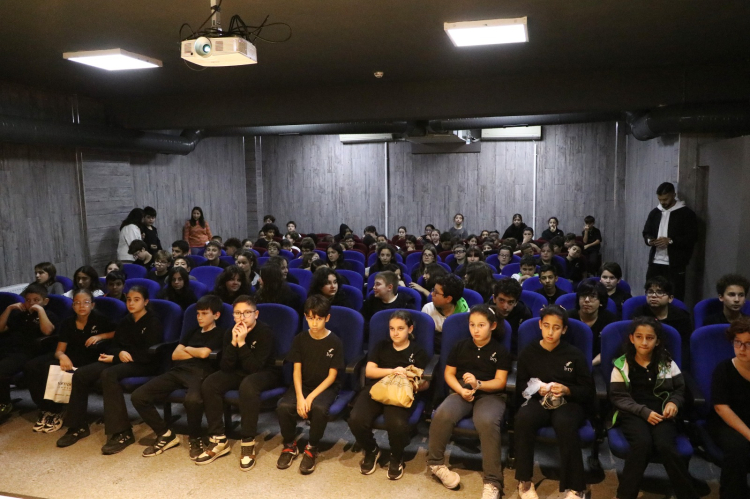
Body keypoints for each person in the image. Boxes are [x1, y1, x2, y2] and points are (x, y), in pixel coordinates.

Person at [57, 286, 162, 454]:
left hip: (144, 363)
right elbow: (114, 345)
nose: (131, 303)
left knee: (109, 374)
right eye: (129, 300)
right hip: (122, 360)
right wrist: (117, 354)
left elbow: (149, 352)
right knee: (81, 374)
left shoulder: (153, 321)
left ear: (145, 302)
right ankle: (78, 426)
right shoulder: (126, 320)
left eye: (136, 300)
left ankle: (122, 432)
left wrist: (116, 357)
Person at [609, 317, 698, 499]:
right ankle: (625, 495)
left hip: (662, 412)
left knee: (666, 446)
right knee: (642, 444)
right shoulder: (622, 364)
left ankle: (687, 495)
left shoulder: (667, 363)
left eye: (649, 338)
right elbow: (618, 396)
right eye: (639, 337)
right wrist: (644, 412)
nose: (644, 342)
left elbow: (679, 389)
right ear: (631, 338)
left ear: (657, 341)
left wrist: (673, 403)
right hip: (633, 412)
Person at [428, 305, 511, 499]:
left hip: (490, 394)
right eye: (472, 325)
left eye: (481, 325)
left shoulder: (500, 351)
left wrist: (478, 384)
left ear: (492, 326)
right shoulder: (461, 346)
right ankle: (436, 464)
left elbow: (500, 382)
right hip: (462, 390)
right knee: (442, 414)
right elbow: (449, 373)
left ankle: (492, 481)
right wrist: (461, 390)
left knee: (487, 421)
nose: (476, 329)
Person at [131, 295, 225, 459]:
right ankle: (165, 434)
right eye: (198, 313)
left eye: (204, 313)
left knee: (192, 400)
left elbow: (205, 354)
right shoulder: (192, 332)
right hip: (179, 370)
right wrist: (195, 352)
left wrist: (187, 349)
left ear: (216, 315)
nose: (200, 317)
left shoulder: (220, 333)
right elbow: (175, 355)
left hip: (201, 373)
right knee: (138, 396)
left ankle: (195, 438)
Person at [515, 305, 593, 499]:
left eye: (556, 327)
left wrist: (567, 390)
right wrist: (536, 389)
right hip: (538, 399)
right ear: (540, 325)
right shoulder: (529, 352)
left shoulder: (574, 354)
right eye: (546, 326)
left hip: (568, 402)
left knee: (565, 422)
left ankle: (576, 487)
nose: (550, 332)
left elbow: (587, 389)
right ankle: (524, 480)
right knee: (524, 418)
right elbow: (520, 385)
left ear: (564, 329)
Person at [196, 295, 279, 469]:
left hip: (265, 373)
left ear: (256, 314)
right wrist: (234, 343)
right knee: (211, 383)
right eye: (237, 313)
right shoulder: (230, 332)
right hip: (239, 372)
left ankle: (247, 441)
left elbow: (255, 368)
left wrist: (242, 343)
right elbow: (226, 367)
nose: (242, 317)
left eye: (247, 313)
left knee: (248, 385)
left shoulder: (265, 332)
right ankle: (218, 439)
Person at [348, 310, 430, 479]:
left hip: (401, 392)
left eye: (400, 328)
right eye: (392, 328)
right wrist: (394, 371)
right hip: (377, 387)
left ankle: (396, 455)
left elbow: (425, 383)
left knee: (397, 424)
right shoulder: (381, 346)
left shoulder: (418, 352)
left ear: (410, 329)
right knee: (356, 419)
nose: (395, 333)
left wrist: (412, 382)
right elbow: (370, 371)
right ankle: (371, 449)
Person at [25, 289, 115, 433]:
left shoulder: (101, 319)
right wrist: (63, 357)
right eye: (77, 303)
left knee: (49, 368)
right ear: (73, 306)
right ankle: (46, 408)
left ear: (92, 305)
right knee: (32, 366)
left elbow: (117, 332)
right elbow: (59, 350)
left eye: (86, 302)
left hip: (91, 358)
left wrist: (100, 336)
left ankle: (55, 410)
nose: (81, 306)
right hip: (70, 355)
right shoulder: (68, 322)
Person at [276, 296, 345, 475]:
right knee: (284, 406)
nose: (314, 323)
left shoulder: (335, 341)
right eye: (310, 318)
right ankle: (289, 444)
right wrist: (300, 397)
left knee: (319, 408)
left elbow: (332, 376)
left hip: (325, 386)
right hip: (304, 384)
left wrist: (311, 397)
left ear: (327, 318)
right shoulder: (300, 339)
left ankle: (312, 447)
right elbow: (296, 371)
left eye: (319, 318)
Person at [0, 283, 58, 417]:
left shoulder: (49, 314)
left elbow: (47, 331)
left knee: (2, 368)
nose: (31, 303)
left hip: (28, 352)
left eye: (36, 300)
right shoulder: (19, 315)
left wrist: (40, 311)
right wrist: (9, 309)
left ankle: (4, 402)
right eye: (28, 300)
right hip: (10, 348)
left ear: (45, 301)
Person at [710, 317, 750, 498]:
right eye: (737, 342)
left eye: (748, 344)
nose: (742, 348)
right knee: (738, 449)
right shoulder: (724, 369)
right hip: (727, 423)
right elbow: (721, 408)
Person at [642, 182, 698, 301]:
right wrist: (650, 240)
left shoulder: (687, 214)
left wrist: (671, 241)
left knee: (675, 294)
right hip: (655, 262)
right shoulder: (655, 213)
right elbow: (646, 232)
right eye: (660, 199)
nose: (662, 202)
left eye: (665, 199)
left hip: (675, 264)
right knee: (651, 293)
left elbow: (692, 237)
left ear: (674, 195)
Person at [632, 276, 693, 365]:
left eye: (660, 292)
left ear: (670, 298)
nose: (653, 296)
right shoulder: (638, 314)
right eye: (650, 292)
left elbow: (685, 347)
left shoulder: (681, 317)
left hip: (672, 360)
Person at [568, 279, 616, 365]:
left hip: (599, 364)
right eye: (583, 296)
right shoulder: (568, 318)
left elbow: (610, 349)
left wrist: (591, 364)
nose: (586, 300)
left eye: (592, 296)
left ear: (601, 302)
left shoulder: (610, 320)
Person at [421, 274, 469, 351]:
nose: (432, 294)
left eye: (436, 292)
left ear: (448, 299)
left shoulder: (465, 315)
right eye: (433, 290)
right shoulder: (428, 309)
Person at [492, 278, 532, 356]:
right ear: (494, 298)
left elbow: (523, 344)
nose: (505, 307)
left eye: (510, 302)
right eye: (501, 300)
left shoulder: (525, 313)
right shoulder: (486, 312)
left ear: (516, 302)